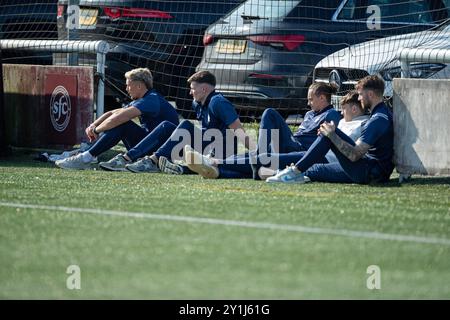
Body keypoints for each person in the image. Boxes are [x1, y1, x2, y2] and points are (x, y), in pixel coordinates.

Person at [184, 82, 342, 179]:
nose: (308, 104)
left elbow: (328, 136)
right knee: (249, 158)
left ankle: (215, 163)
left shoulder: (332, 114)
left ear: (322, 98)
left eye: (311, 99)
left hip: (302, 150)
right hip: (290, 145)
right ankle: (217, 171)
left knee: (269, 113)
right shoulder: (309, 114)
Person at [266, 75, 394, 184]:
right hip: (371, 169)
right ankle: (293, 172)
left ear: (370, 94)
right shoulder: (382, 114)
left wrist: (332, 136)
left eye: (360, 95)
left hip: (370, 173)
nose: (359, 99)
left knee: (329, 133)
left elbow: (355, 155)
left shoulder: (378, 119)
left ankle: (294, 172)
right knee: (313, 168)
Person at [124, 70, 256, 174]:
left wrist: (259, 154)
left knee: (186, 125)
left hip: (222, 152)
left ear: (204, 89)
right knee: (167, 126)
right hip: (207, 146)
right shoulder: (197, 103)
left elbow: (238, 130)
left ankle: (153, 162)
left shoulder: (218, 103)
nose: (190, 92)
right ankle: (132, 157)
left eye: (193, 88)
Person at [55, 68, 179, 170]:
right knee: (121, 123)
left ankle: (86, 157)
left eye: (128, 85)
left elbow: (121, 117)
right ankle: (87, 155)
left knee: (122, 124)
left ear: (139, 86)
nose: (126, 89)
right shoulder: (145, 98)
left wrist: (97, 131)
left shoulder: (151, 99)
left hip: (160, 151)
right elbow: (114, 112)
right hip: (148, 145)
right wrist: (93, 125)